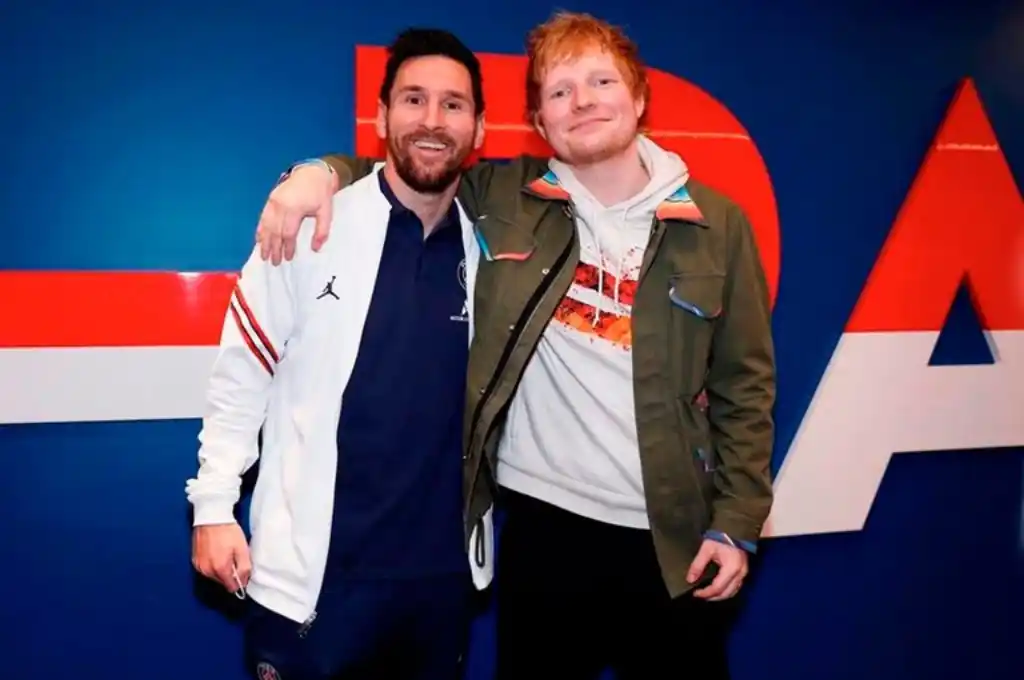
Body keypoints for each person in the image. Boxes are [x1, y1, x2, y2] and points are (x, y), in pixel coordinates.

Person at [256, 12, 776, 679]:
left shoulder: (718, 223)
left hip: (674, 538)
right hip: (543, 531)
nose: (582, 101)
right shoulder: (502, 193)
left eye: (600, 81)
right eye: (560, 91)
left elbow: (746, 385)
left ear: (640, 98)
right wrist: (314, 174)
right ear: (538, 119)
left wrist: (736, 521)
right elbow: (402, 165)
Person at [186, 28, 488, 680]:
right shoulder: (311, 225)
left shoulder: (494, 248)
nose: (432, 121)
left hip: (439, 585)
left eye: (453, 105)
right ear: (380, 117)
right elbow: (241, 373)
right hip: (312, 584)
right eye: (413, 99)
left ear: (480, 128)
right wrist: (213, 508)